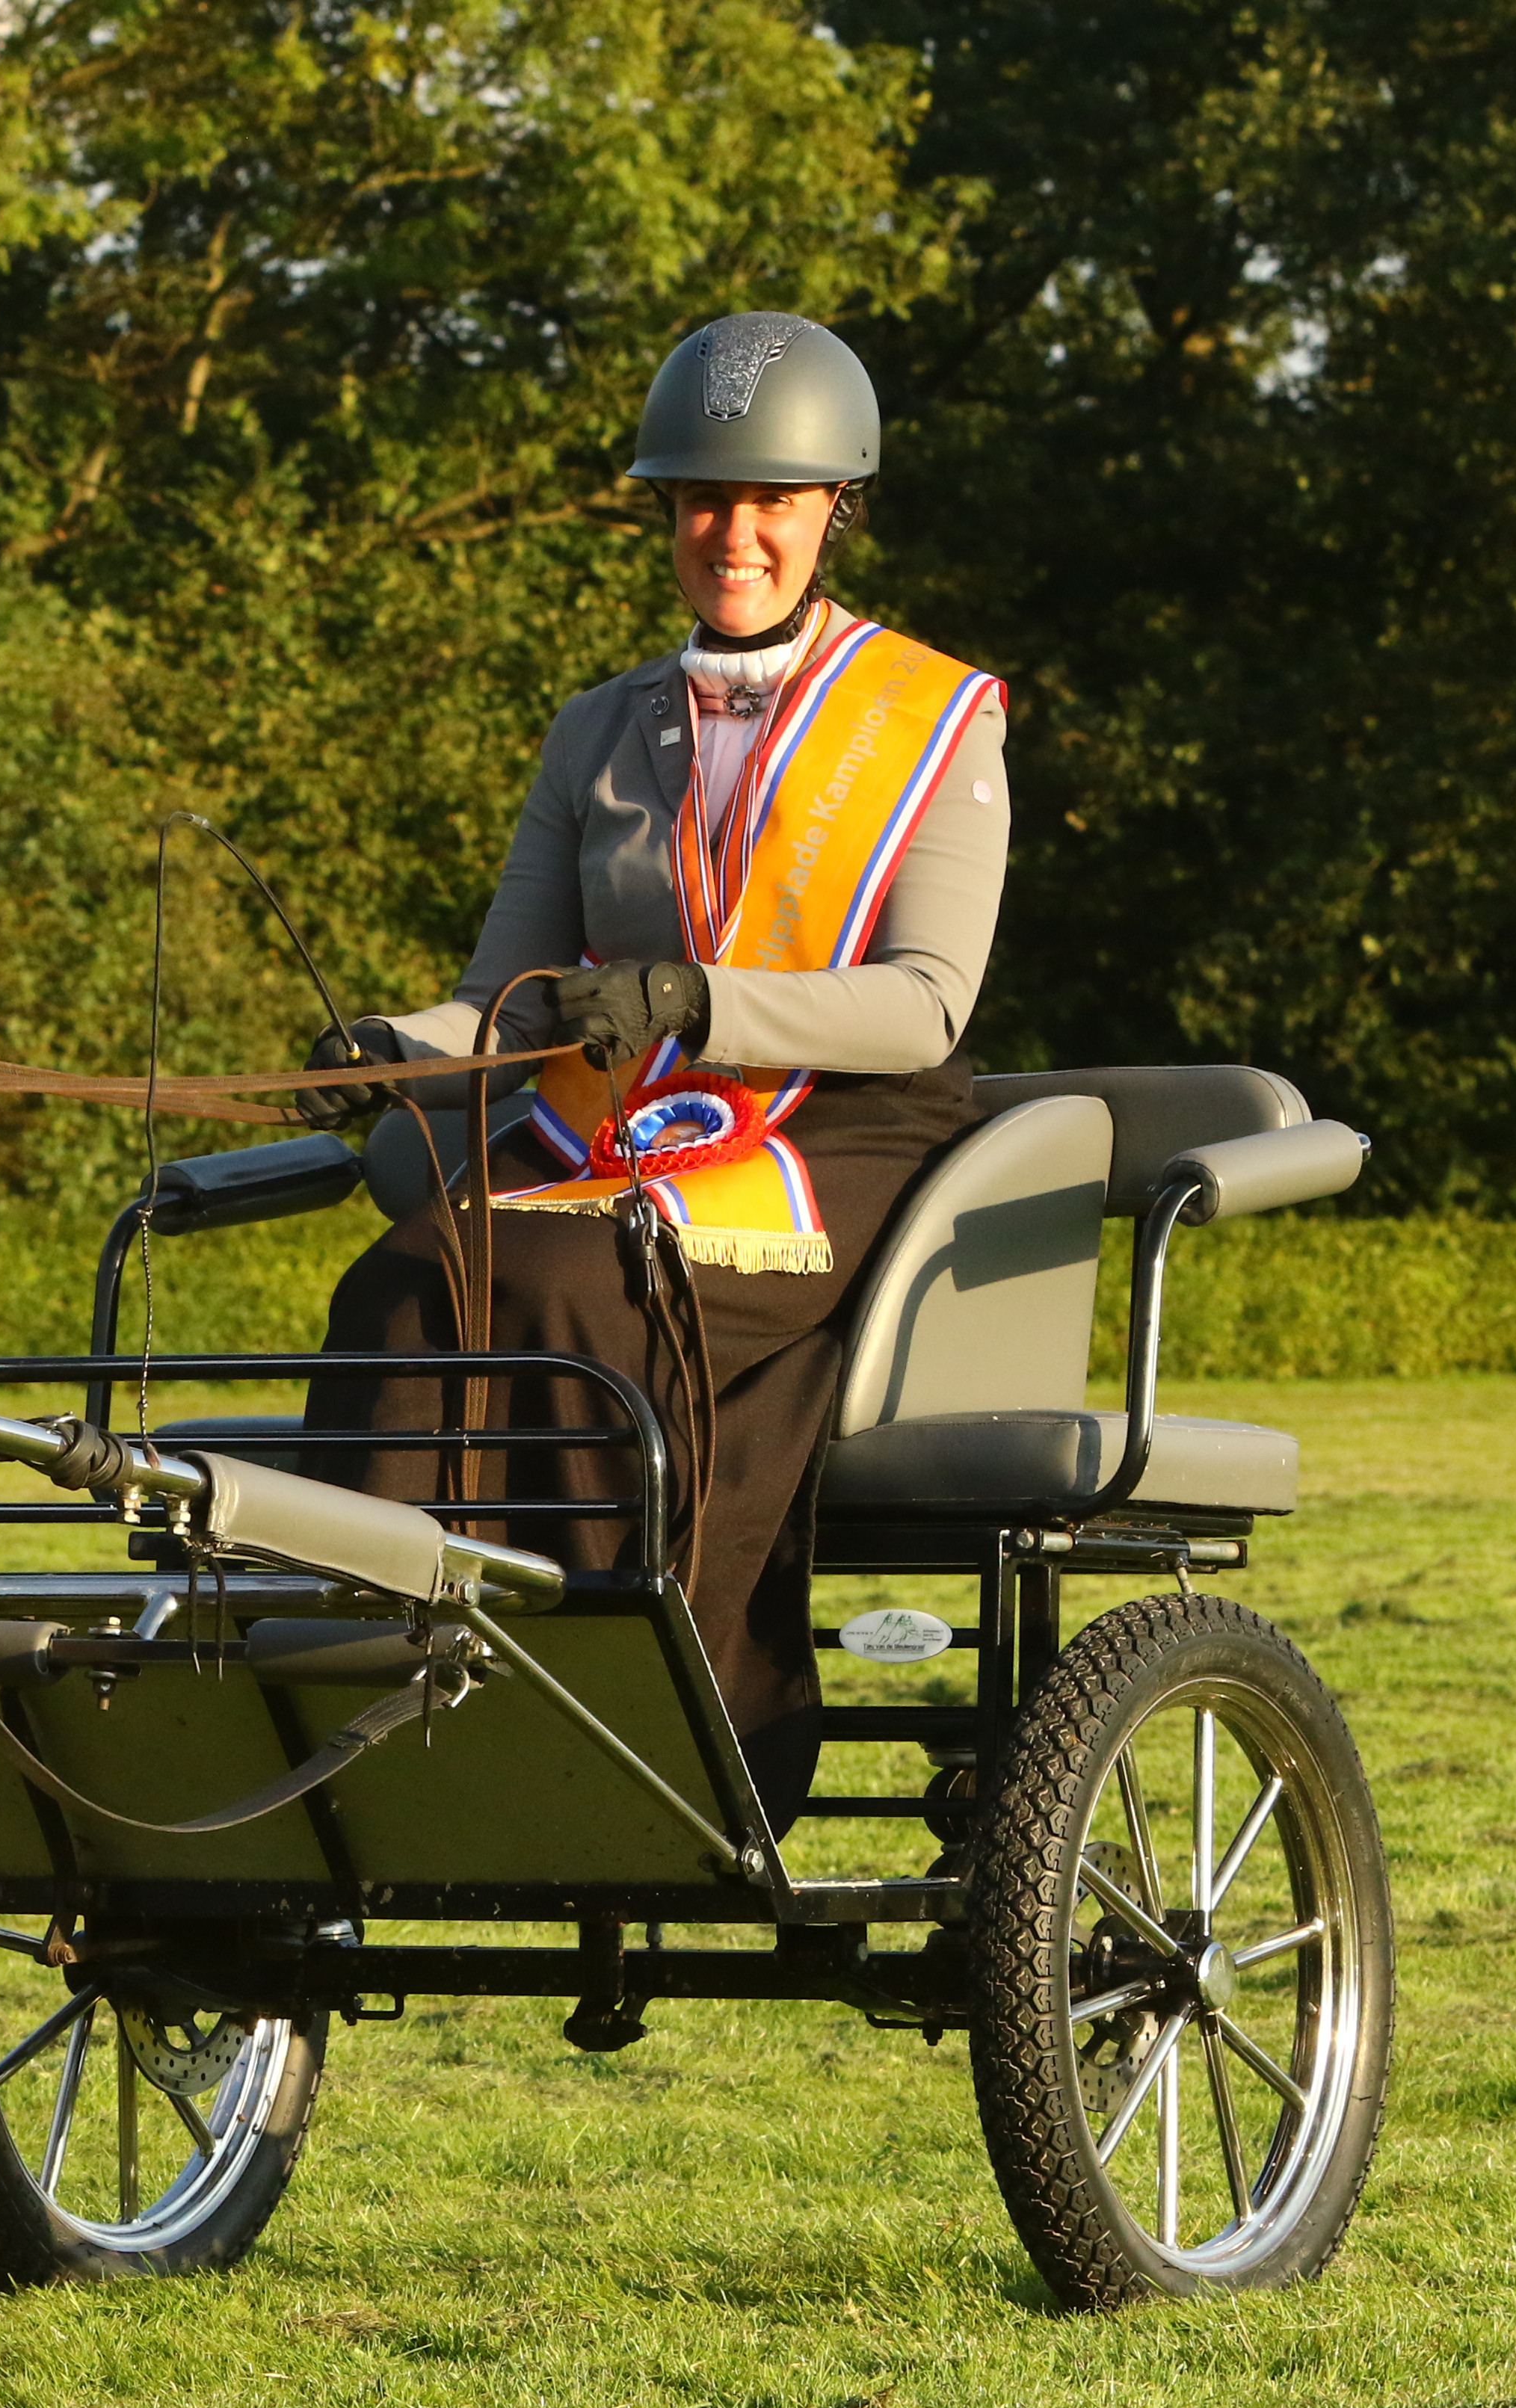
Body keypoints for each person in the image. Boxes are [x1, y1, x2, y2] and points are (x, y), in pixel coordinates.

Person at [303, 309, 1011, 1821]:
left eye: (771, 500)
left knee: (554, 1285)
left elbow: (927, 1007)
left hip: (842, 1132)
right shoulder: (596, 731)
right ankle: (359, 1682)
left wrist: (698, 998)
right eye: (703, 500)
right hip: (621, 1121)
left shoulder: (936, 721)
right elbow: (501, 1001)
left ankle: (629, 1720)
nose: (733, 533)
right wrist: (387, 1053)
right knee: (410, 1272)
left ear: (837, 511)